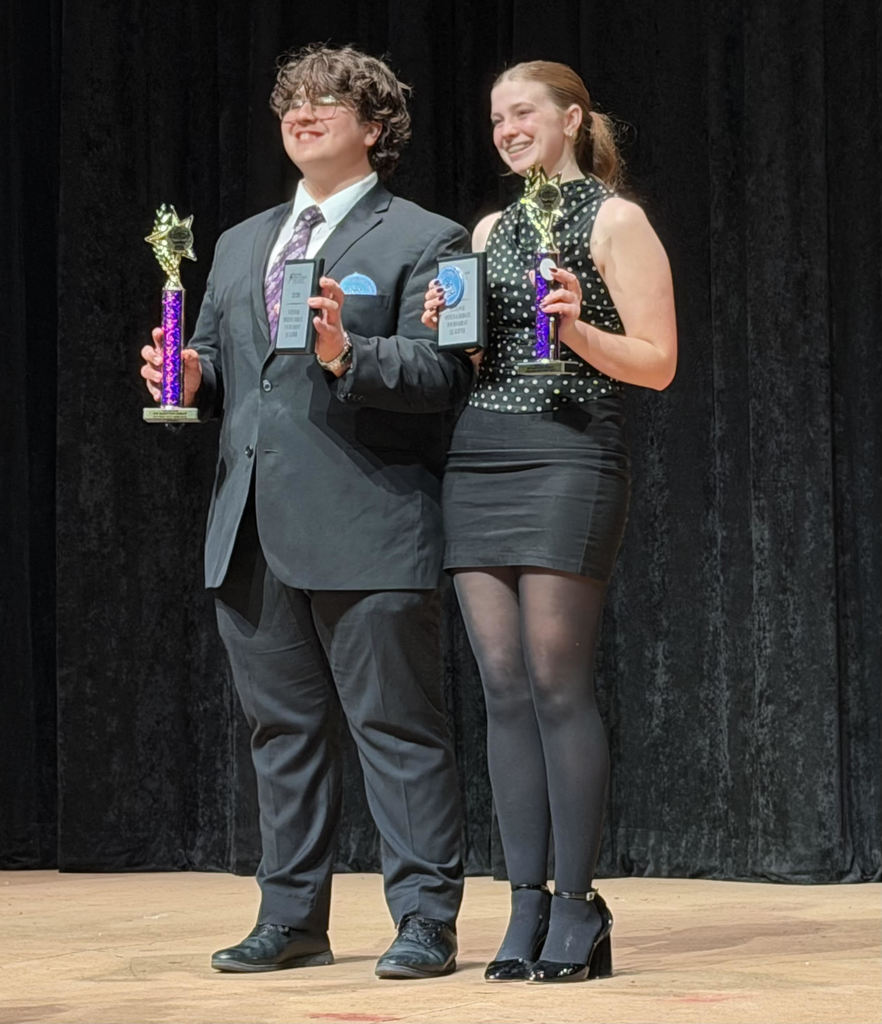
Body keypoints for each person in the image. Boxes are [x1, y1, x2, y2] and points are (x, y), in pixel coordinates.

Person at [141, 44, 474, 979]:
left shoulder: (426, 238)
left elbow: (444, 370)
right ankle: (292, 917)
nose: (304, 112)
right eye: (292, 99)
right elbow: (213, 361)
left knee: (398, 731)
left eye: (329, 101)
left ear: (375, 128)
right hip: (249, 528)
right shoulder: (245, 242)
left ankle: (423, 919)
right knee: (279, 733)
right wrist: (190, 377)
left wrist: (346, 356)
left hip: (368, 523)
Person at [423, 60, 677, 983]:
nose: (507, 128)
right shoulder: (489, 230)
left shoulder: (617, 220)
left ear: (570, 119)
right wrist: (453, 323)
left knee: (556, 680)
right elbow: (481, 360)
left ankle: (578, 902)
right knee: (501, 687)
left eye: (522, 111)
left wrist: (574, 331)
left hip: (571, 453)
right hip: (482, 451)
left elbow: (657, 364)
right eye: (495, 117)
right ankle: (523, 901)